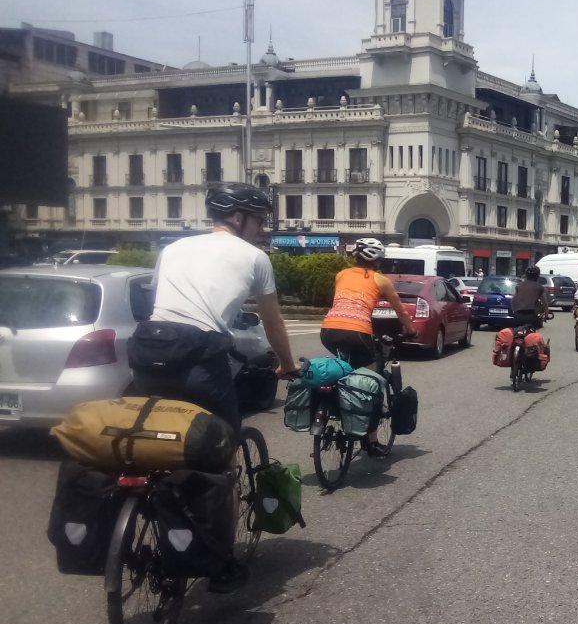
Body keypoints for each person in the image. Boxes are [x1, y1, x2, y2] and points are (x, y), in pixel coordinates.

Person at [127, 182, 299, 593]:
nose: (261, 229)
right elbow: (272, 324)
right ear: (239, 217)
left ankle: (138, 508)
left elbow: (165, 305)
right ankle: (220, 564)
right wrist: (287, 365)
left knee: (147, 440)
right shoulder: (255, 258)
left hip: (148, 350)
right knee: (220, 456)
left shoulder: (173, 248)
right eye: (259, 219)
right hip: (200, 361)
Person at [321, 238, 414, 370]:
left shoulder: (341, 275)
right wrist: (411, 330)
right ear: (376, 260)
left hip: (328, 332)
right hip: (357, 332)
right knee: (372, 372)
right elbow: (401, 311)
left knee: (343, 367)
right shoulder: (381, 280)